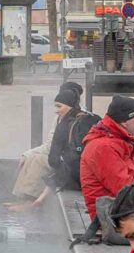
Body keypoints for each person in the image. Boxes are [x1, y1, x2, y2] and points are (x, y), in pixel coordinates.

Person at [7, 78, 100, 210]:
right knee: (31, 158)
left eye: (59, 106)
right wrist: (27, 153)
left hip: (73, 163)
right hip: (67, 157)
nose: (56, 109)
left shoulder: (80, 119)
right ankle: (24, 199)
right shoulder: (61, 116)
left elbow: (59, 151)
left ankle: (31, 202)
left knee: (39, 161)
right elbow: (50, 142)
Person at [79, 97, 134, 237]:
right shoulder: (103, 147)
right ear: (124, 121)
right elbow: (124, 189)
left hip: (120, 211)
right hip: (113, 219)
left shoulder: (117, 141)